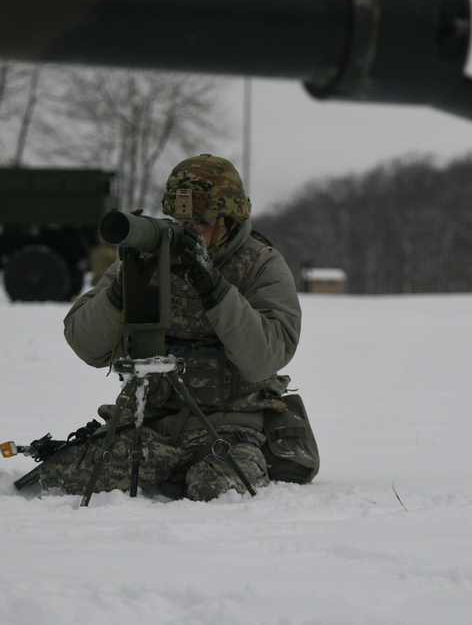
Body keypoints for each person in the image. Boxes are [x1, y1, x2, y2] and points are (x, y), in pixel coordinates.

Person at [39, 154, 302, 501]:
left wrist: (214, 289)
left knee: (215, 491)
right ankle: (170, 470)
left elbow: (265, 357)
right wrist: (123, 289)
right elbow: (87, 345)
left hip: (230, 425)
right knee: (58, 477)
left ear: (228, 221)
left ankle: (180, 475)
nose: (188, 231)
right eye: (180, 219)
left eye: (202, 222)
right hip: (150, 423)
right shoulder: (153, 257)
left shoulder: (260, 264)